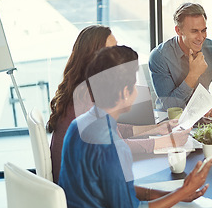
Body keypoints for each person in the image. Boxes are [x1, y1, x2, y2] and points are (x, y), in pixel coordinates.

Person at [59, 45, 212, 208]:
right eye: (135, 84)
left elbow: (108, 186)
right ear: (124, 93)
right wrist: (182, 193)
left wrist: (169, 195)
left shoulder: (79, 124)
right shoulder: (113, 146)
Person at [47, 25, 190, 183]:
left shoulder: (82, 87)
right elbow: (116, 145)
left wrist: (156, 128)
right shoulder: (87, 96)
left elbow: (113, 129)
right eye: (112, 50)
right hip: (80, 189)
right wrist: (167, 142)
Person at [149, 2, 212, 117]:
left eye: (203, 30)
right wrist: (193, 75)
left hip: (204, 117)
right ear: (178, 31)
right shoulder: (159, 56)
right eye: (194, 31)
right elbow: (169, 106)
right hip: (170, 121)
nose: (201, 37)